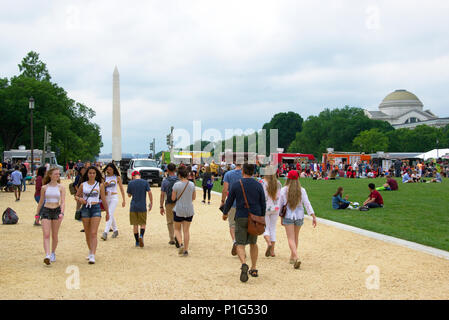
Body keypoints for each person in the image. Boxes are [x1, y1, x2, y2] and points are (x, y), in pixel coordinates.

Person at [222, 163, 266, 282]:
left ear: (243, 171)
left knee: (240, 243)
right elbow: (263, 202)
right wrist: (262, 216)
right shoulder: (258, 185)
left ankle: (243, 264)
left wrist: (225, 213)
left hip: (241, 215)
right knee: (253, 243)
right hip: (255, 217)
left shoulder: (237, 184)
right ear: (253, 172)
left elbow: (229, 200)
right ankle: (254, 267)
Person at [279, 170, 317, 269]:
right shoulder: (302, 190)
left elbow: (280, 205)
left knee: (290, 238)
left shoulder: (283, 190)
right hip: (299, 215)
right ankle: (292, 256)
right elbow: (307, 204)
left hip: (288, 215)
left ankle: (295, 256)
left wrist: (280, 216)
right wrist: (313, 215)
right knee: (296, 237)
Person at [75, 166, 110, 264]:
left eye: (94, 173)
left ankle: (93, 255)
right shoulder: (83, 185)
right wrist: (79, 199)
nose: (92, 175)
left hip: (96, 208)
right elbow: (76, 195)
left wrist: (107, 212)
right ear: (87, 174)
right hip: (86, 208)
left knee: (94, 232)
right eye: (90, 173)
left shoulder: (100, 185)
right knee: (87, 232)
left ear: (96, 174)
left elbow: (103, 199)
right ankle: (90, 250)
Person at [35, 168, 65, 265]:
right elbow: (41, 201)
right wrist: (37, 213)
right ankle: (47, 254)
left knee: (55, 234)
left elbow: (63, 202)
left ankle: (53, 252)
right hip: (46, 210)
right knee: (46, 234)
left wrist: (62, 212)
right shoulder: (44, 188)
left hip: (56, 210)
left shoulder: (61, 187)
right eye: (55, 174)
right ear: (50, 175)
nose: (57, 176)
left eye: (58, 174)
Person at [171, 166, 196, 257]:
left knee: (177, 229)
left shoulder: (176, 185)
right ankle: (186, 249)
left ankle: (180, 244)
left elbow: (173, 198)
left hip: (179, 209)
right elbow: (193, 198)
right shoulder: (192, 184)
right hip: (189, 209)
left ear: (179, 175)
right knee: (186, 230)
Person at [221, 163, 242, 256]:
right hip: (243, 204)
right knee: (241, 225)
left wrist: (222, 201)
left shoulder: (228, 174)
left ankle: (234, 241)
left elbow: (225, 189)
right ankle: (241, 245)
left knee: (232, 224)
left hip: (232, 202)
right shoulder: (245, 173)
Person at [127, 171, 153, 248]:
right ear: (139, 175)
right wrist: (151, 202)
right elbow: (150, 193)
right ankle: (141, 235)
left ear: (132, 176)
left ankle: (137, 242)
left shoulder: (130, 183)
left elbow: (129, 195)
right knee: (143, 224)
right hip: (142, 206)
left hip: (133, 206)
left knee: (135, 225)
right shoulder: (145, 182)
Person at [101, 163, 126, 241]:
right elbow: (100, 187)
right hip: (106, 197)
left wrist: (124, 199)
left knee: (110, 213)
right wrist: (104, 185)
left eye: (110, 169)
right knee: (110, 213)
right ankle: (115, 230)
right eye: (108, 169)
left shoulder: (117, 177)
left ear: (113, 169)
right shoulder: (104, 177)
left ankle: (105, 232)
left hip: (114, 197)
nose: (109, 171)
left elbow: (121, 188)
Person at [261, 169, 282, 258]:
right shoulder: (278, 183)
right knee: (273, 228)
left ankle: (268, 242)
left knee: (265, 228)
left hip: (265, 207)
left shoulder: (262, 182)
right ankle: (272, 250)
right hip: (276, 207)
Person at [160, 163, 179, 246]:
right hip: (178, 202)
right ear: (175, 170)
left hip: (168, 202)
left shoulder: (165, 181)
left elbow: (162, 194)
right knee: (178, 220)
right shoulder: (179, 180)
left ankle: (171, 238)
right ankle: (178, 236)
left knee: (169, 221)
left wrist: (161, 206)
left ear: (167, 170)